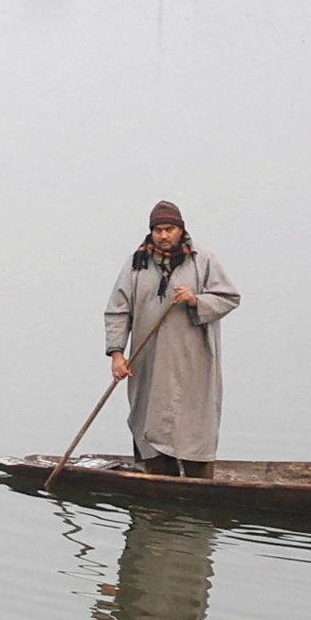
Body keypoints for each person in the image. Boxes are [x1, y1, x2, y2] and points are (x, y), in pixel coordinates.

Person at [103, 200, 238, 473]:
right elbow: (118, 310)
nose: (163, 236)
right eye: (158, 230)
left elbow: (229, 297)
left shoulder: (203, 260)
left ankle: (197, 481)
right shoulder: (137, 263)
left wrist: (196, 300)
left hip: (193, 363)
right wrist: (117, 355)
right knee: (148, 418)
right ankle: (155, 477)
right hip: (147, 363)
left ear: (181, 230)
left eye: (169, 229)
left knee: (193, 422)